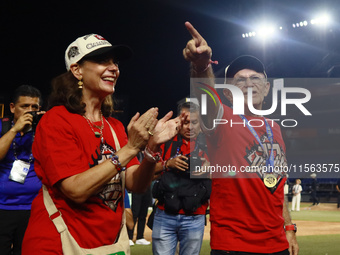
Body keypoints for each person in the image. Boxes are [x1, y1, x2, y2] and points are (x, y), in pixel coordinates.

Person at [22, 33, 182, 254]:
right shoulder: (56, 119)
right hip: (59, 243)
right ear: (77, 70)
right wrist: (130, 148)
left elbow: (136, 184)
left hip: (108, 244)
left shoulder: (115, 126)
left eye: (114, 61)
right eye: (101, 60)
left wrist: (152, 148)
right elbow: (75, 190)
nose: (114, 67)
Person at [183, 22, 299, 255]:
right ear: (228, 93)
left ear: (266, 88)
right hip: (234, 245)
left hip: (277, 245)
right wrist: (201, 65)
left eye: (255, 78)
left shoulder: (274, 128)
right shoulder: (221, 119)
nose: (248, 83)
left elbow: (276, 183)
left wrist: (289, 227)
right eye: (240, 80)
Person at [152, 102, 211, 255]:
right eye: (186, 122)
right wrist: (167, 164)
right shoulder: (165, 142)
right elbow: (146, 173)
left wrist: (211, 168)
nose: (190, 127)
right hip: (165, 214)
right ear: (178, 121)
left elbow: (229, 174)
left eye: (195, 122)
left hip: (195, 215)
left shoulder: (211, 145)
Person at [0, 85, 44, 255]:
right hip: (3, 207)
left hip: (32, 208)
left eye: (34, 107)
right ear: (12, 108)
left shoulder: (42, 130)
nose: (30, 111)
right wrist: (15, 129)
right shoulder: (3, 128)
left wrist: (49, 124)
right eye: (24, 106)